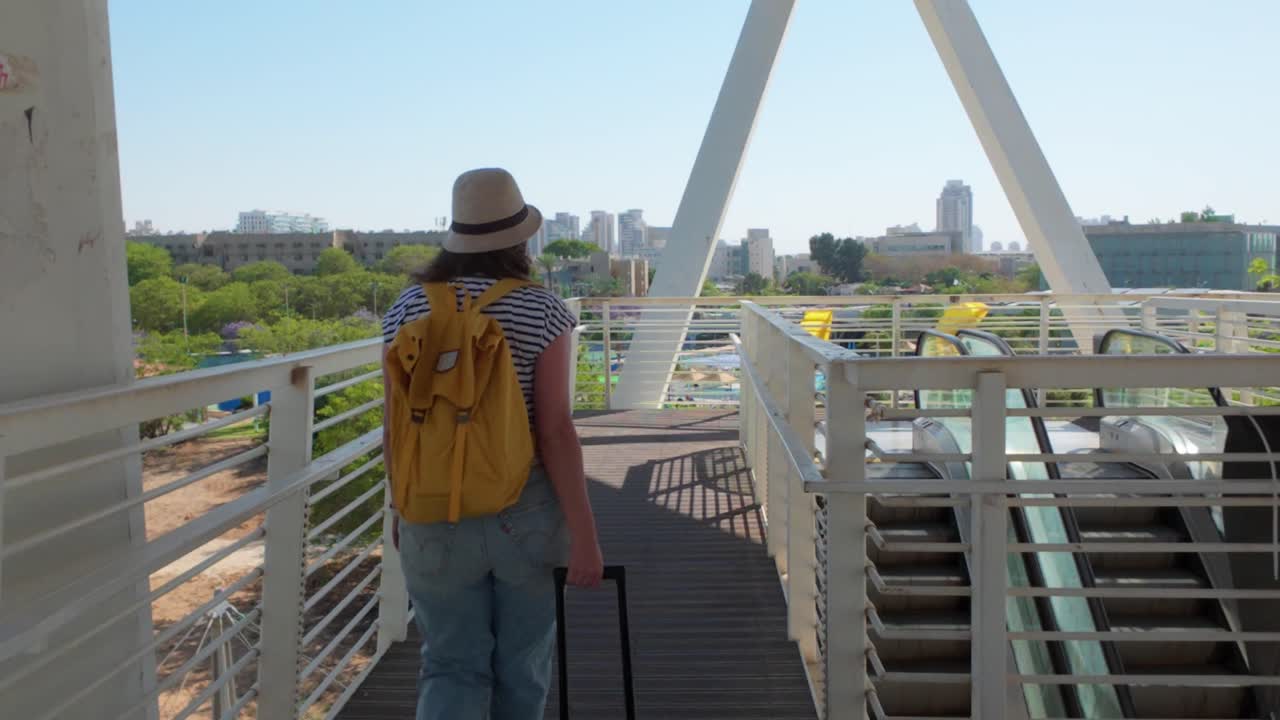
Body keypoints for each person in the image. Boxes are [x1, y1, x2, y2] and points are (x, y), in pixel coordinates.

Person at [381, 168, 604, 720]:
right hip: (524, 510)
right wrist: (585, 535)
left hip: (430, 513)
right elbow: (554, 431)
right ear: (520, 238)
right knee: (522, 666)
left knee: (450, 664)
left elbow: (397, 426)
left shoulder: (407, 311)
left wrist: (400, 504)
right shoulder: (542, 309)